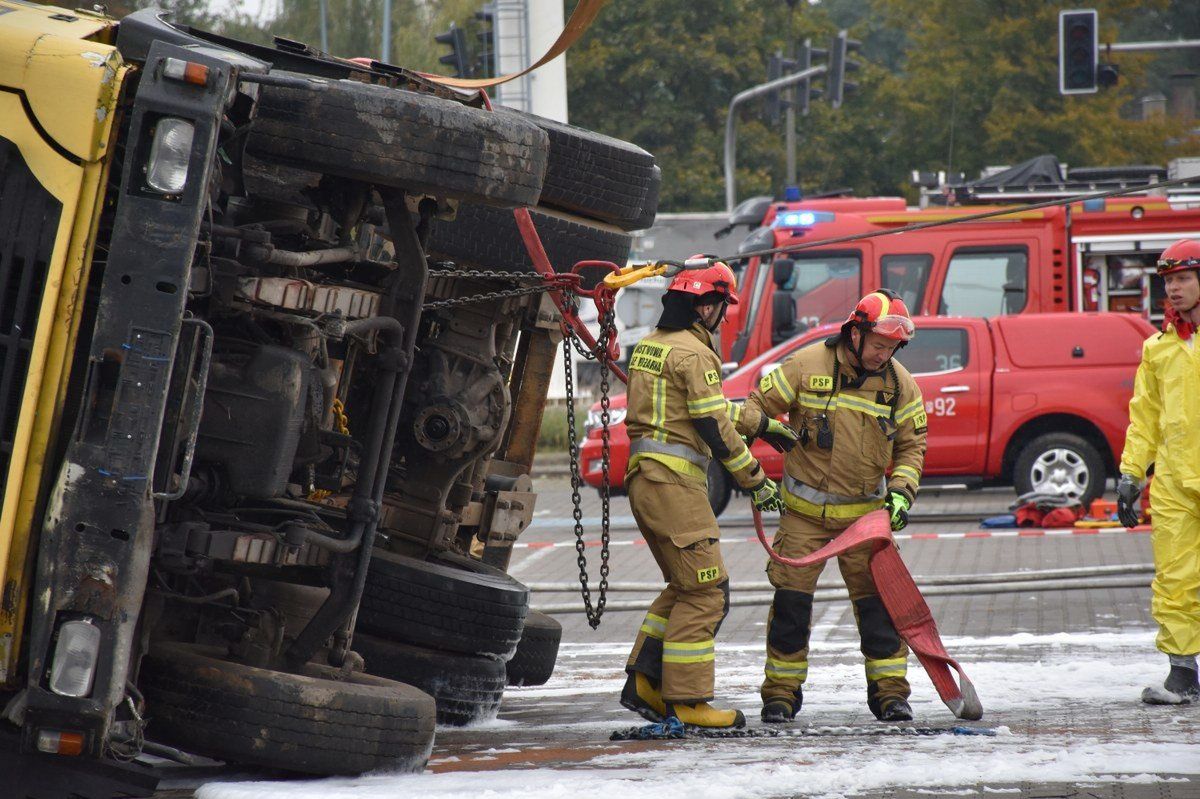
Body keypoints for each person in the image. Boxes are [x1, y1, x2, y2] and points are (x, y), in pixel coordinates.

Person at [620, 256, 798, 729]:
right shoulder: (695, 354)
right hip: (675, 484)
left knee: (685, 585)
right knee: (706, 592)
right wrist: (757, 481)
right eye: (722, 305)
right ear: (704, 306)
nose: (723, 315)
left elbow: (704, 407)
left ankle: (644, 681)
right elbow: (713, 426)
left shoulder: (650, 346)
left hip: (645, 479)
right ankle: (689, 701)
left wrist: (764, 424)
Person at [737, 289, 927, 723]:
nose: (884, 355)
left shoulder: (900, 385)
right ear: (855, 332)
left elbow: (914, 446)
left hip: (865, 523)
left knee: (879, 611)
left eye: (892, 347)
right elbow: (753, 409)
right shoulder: (805, 367)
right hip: (804, 519)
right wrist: (759, 446)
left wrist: (901, 491)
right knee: (790, 609)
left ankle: (890, 695)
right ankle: (781, 696)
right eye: (879, 345)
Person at [1116, 238, 1200, 705]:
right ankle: (1183, 672)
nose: (1174, 289)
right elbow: (1144, 416)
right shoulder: (1159, 348)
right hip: (1172, 483)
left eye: (1184, 278)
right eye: (1169, 281)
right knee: (1174, 578)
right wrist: (1132, 474)